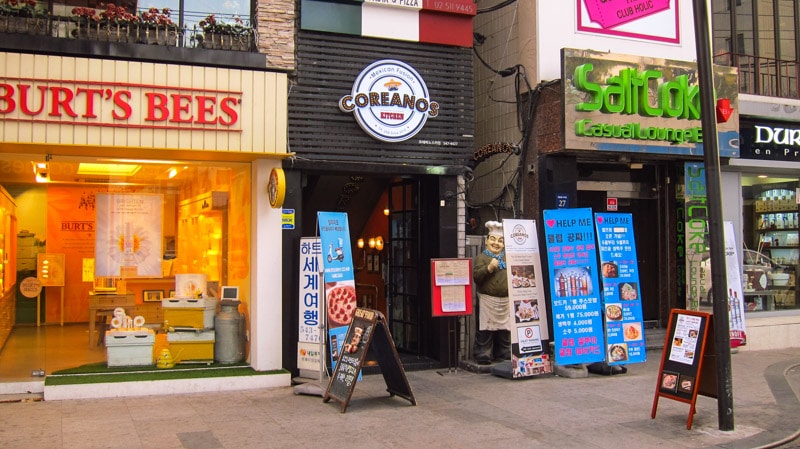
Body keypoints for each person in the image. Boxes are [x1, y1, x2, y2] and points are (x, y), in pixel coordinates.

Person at [473, 220, 511, 365]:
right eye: (493, 240)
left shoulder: (508, 257)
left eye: (500, 241)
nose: (496, 243)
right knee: (485, 330)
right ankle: (483, 352)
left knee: (504, 330)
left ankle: (503, 351)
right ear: (487, 240)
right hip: (487, 300)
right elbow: (476, 276)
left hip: (505, 301)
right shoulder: (482, 257)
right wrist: (488, 268)